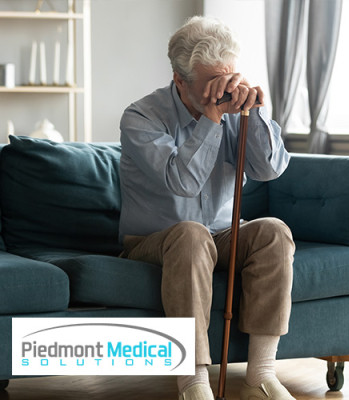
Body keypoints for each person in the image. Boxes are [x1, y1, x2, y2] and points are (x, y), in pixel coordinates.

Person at [119, 16, 296, 400]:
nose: (226, 90)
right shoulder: (141, 118)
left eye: (229, 77)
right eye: (212, 82)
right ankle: (193, 383)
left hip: (221, 234)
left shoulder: (238, 107)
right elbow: (183, 181)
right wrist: (212, 119)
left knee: (273, 231)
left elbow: (270, 170)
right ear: (180, 80)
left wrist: (258, 113)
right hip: (154, 240)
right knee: (191, 234)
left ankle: (261, 375)